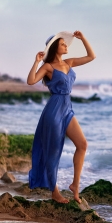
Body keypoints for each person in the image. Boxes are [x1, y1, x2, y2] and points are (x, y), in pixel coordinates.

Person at [27, 30, 96, 203]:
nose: (66, 46)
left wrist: (83, 38)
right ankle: (54, 191)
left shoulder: (69, 62)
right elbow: (31, 81)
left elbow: (91, 57)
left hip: (67, 108)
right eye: (63, 44)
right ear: (55, 47)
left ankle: (75, 185)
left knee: (82, 144)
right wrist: (36, 62)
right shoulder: (48, 67)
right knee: (53, 151)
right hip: (54, 110)